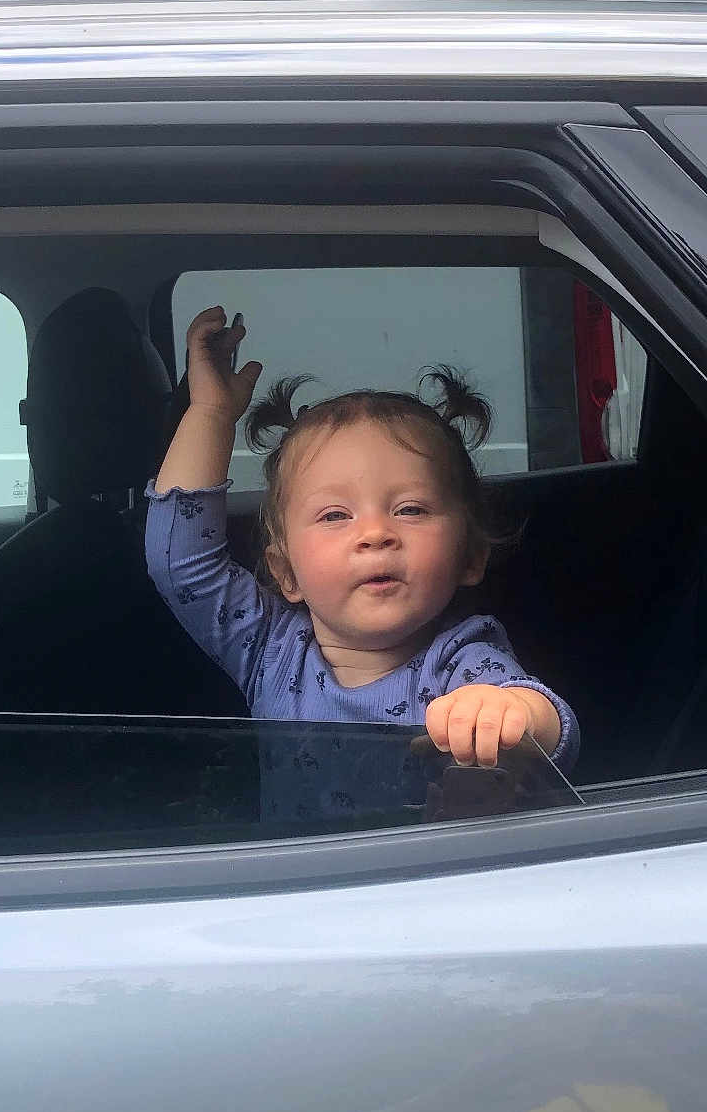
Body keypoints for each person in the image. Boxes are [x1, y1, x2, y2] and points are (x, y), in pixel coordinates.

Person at [145, 306, 579, 780]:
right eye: (335, 515)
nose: (375, 534)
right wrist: (210, 413)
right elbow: (181, 562)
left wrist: (509, 712)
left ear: (470, 555)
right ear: (286, 572)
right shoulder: (269, 647)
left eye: (410, 510)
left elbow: (550, 727)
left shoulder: (461, 661)